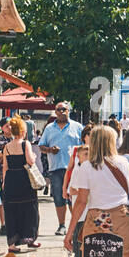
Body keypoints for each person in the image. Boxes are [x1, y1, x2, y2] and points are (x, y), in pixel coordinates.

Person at [63, 126, 129, 257]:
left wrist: (70, 232)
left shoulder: (87, 167)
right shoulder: (125, 162)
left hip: (95, 219)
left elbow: (81, 202)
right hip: (121, 216)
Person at [38, 101, 83, 237]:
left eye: (64, 109)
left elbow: (85, 145)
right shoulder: (49, 128)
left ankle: (75, 225)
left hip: (74, 169)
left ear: (69, 111)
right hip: (56, 168)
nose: (62, 112)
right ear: (55, 112)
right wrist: (50, 150)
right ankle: (62, 225)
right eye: (59, 109)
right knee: (58, 198)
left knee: (73, 198)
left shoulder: (77, 127)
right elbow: (41, 146)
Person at [1, 115, 40, 252]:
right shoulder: (25, 144)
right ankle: (30, 239)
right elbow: (30, 161)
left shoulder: (6, 147)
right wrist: (34, 157)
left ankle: (12, 244)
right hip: (24, 180)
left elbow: (4, 167)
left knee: (11, 212)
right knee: (30, 209)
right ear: (23, 131)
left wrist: (4, 183)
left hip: (11, 179)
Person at [64, 125, 95, 257]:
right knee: (79, 238)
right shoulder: (82, 166)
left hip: (90, 211)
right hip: (81, 211)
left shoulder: (93, 164)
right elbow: (74, 189)